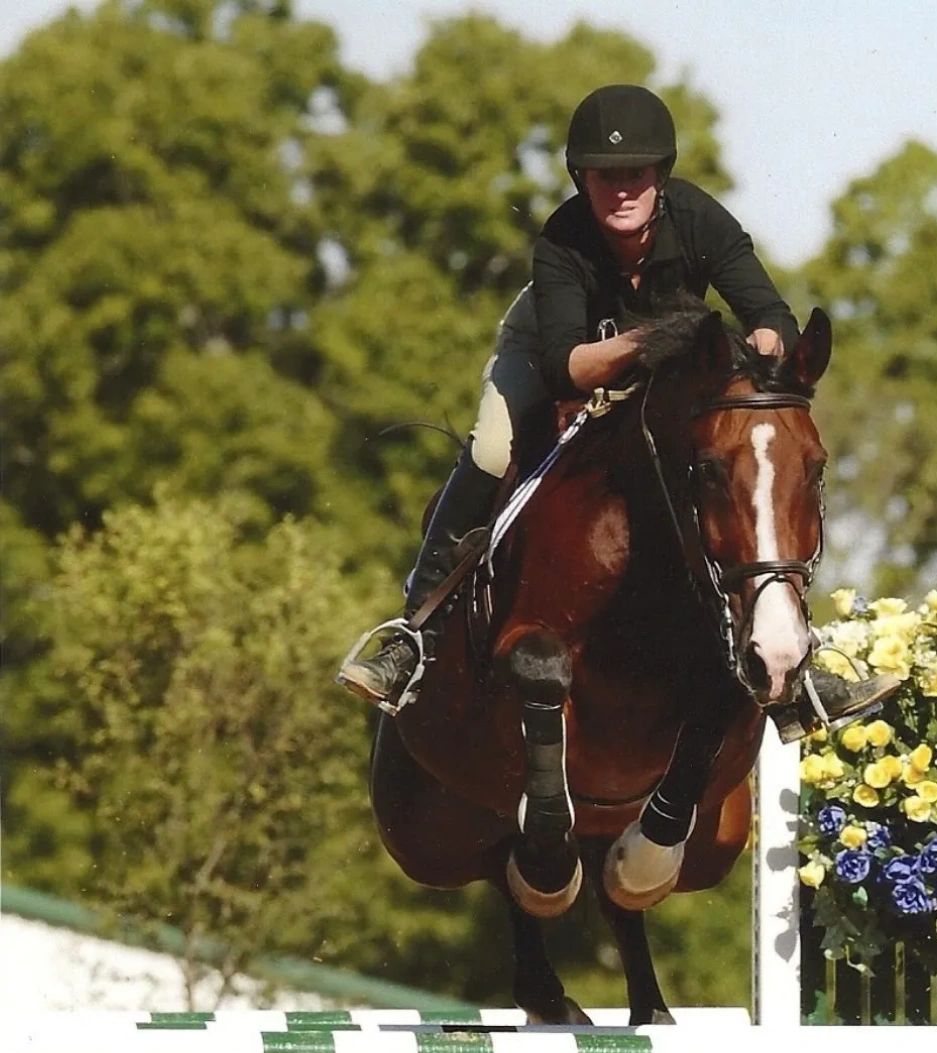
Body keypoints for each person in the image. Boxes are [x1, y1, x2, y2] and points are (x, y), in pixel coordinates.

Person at [337, 84, 899, 734]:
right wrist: (651, 339)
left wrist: (762, 359)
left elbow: (769, 315)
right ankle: (413, 636)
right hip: (554, 348)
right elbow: (565, 366)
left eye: (635, 174)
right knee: (493, 448)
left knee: (747, 469)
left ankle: (795, 665)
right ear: (583, 180)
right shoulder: (563, 238)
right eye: (606, 177)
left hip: (669, 366)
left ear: (661, 176)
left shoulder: (699, 219)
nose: (622, 190)